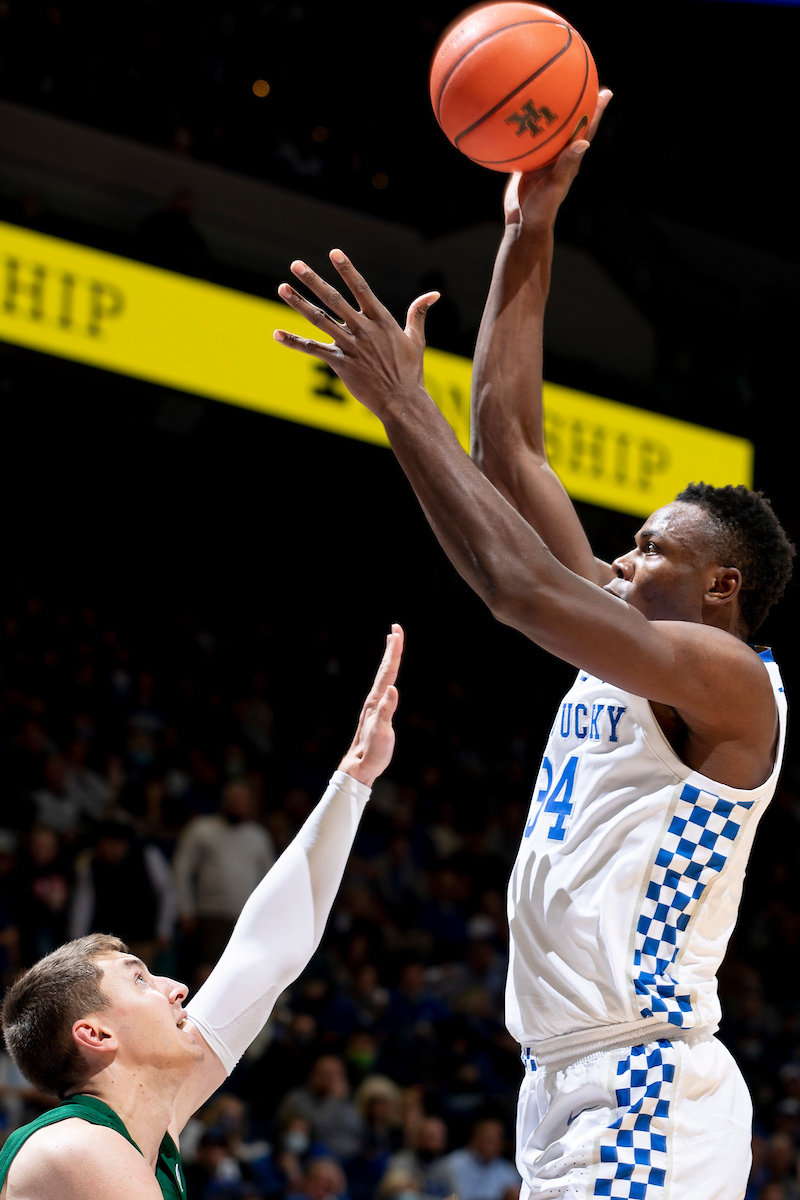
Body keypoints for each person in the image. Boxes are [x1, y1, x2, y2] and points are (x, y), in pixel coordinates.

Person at [273, 92, 794, 1198]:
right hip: (562, 1082)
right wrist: (528, 227)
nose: (621, 559)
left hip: (644, 1083)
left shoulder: (727, 685)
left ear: (720, 586)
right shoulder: (626, 640)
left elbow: (511, 586)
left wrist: (397, 406)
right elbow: (507, 450)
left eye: (649, 549)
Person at [0, 626, 404, 1200]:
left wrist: (354, 778)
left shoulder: (145, 1132)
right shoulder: (76, 1149)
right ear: (94, 1033)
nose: (179, 987)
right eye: (140, 978)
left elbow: (265, 953)